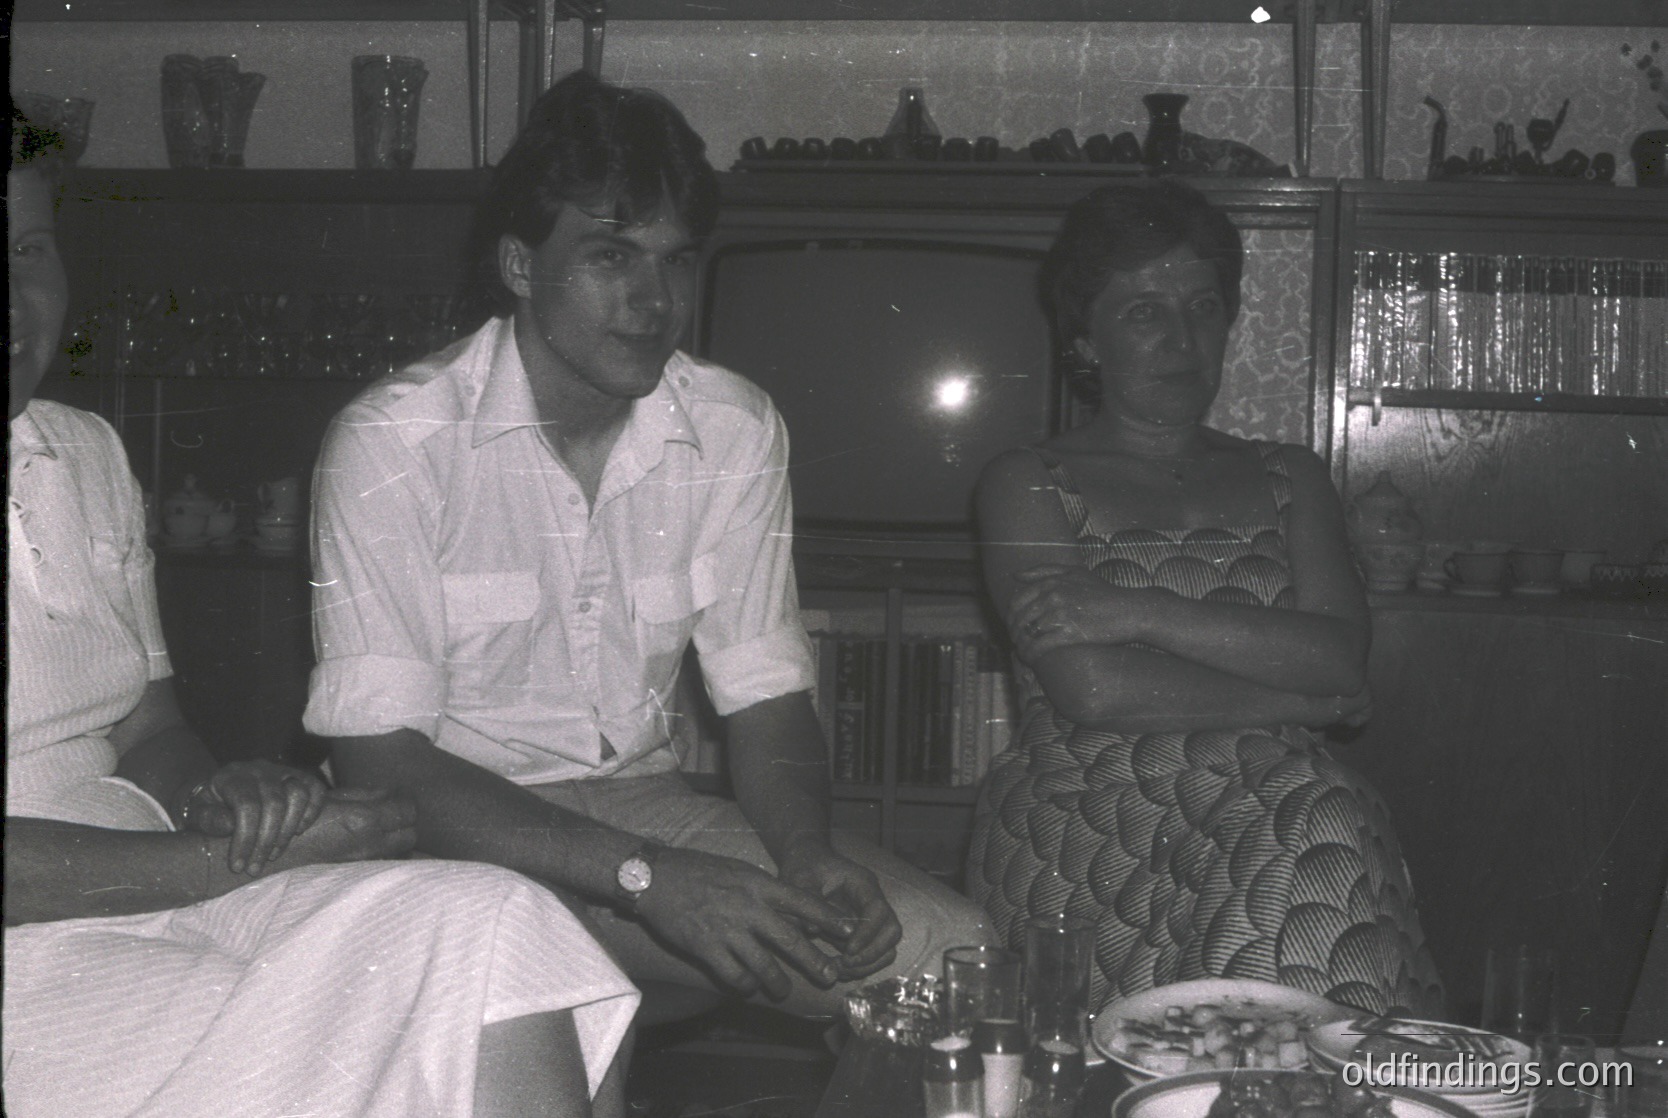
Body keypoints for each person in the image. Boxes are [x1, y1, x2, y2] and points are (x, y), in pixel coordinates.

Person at [304, 69, 992, 1019]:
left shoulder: (734, 427)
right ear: (519, 264)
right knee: (543, 992)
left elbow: (766, 696)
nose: (654, 300)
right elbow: (380, 767)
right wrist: (648, 878)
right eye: (611, 256)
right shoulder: (395, 442)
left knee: (953, 959)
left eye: (676, 261)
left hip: (639, 808)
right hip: (443, 834)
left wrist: (806, 854)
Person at [5, 108, 638, 1118]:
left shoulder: (83, 453)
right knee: (386, 1011)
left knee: (493, 921)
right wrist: (214, 863)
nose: (14, 295)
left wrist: (225, 798)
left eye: (29, 248)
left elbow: (149, 729)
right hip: (35, 957)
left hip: (156, 886)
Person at [966, 182, 1443, 1015]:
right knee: (1317, 811)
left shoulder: (1291, 475)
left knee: (1311, 814)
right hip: (1094, 820)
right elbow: (1094, 689)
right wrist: (1301, 698)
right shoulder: (1026, 481)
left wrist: (1136, 612)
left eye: (1203, 306)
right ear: (1084, 339)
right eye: (1143, 311)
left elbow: (1340, 657)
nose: (1182, 339)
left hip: (1276, 803)